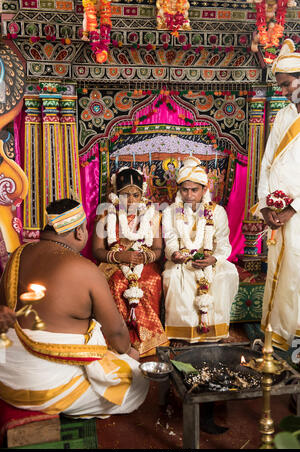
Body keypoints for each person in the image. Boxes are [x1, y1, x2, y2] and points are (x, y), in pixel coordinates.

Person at [0, 198, 149, 417]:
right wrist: (129, 353)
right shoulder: (85, 269)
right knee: (137, 382)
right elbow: (116, 332)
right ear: (79, 233)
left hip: (6, 373)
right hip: (46, 386)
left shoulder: (17, 256)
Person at [92, 167, 169, 357]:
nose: (132, 200)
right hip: (114, 262)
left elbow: (158, 249)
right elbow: (97, 250)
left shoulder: (152, 215)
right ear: (117, 196)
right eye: (126, 195)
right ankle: (118, 339)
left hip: (144, 261)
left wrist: (145, 256)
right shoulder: (106, 215)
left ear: (142, 194)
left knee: (150, 281)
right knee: (117, 282)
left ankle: (148, 339)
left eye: (136, 194)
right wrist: (120, 257)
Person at [254, 38, 300, 351]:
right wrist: (266, 206)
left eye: (286, 85)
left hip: (297, 215)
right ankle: (276, 339)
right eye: (281, 86)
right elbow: (267, 163)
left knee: (296, 275)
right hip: (278, 213)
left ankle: (295, 341)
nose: (282, 91)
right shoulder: (283, 116)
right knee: (279, 275)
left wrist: (293, 208)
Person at [162, 156, 239, 343]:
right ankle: (181, 334)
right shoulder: (170, 211)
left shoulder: (217, 211)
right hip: (182, 259)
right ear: (179, 190)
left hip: (210, 259)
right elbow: (170, 239)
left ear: (204, 190)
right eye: (185, 190)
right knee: (172, 276)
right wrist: (175, 254)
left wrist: (213, 259)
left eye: (194, 190)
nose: (189, 195)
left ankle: (215, 333)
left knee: (227, 273)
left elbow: (223, 243)